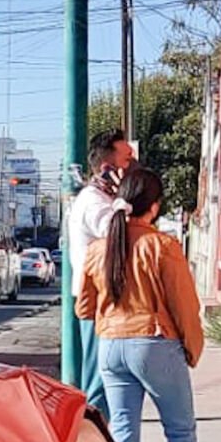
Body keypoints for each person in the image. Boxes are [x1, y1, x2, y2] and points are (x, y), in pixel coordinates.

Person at [75, 166, 221, 442]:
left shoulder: (99, 247)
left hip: (111, 346)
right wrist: (192, 346)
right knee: (180, 429)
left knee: (123, 427)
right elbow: (184, 305)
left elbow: (83, 306)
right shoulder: (162, 246)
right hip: (154, 343)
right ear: (153, 207)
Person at [65, 128, 134, 411]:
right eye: (127, 159)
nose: (132, 165)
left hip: (106, 299)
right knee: (99, 380)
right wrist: (124, 202)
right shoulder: (95, 202)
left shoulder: (104, 198)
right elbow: (116, 231)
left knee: (106, 377)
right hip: (97, 301)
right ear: (108, 168)